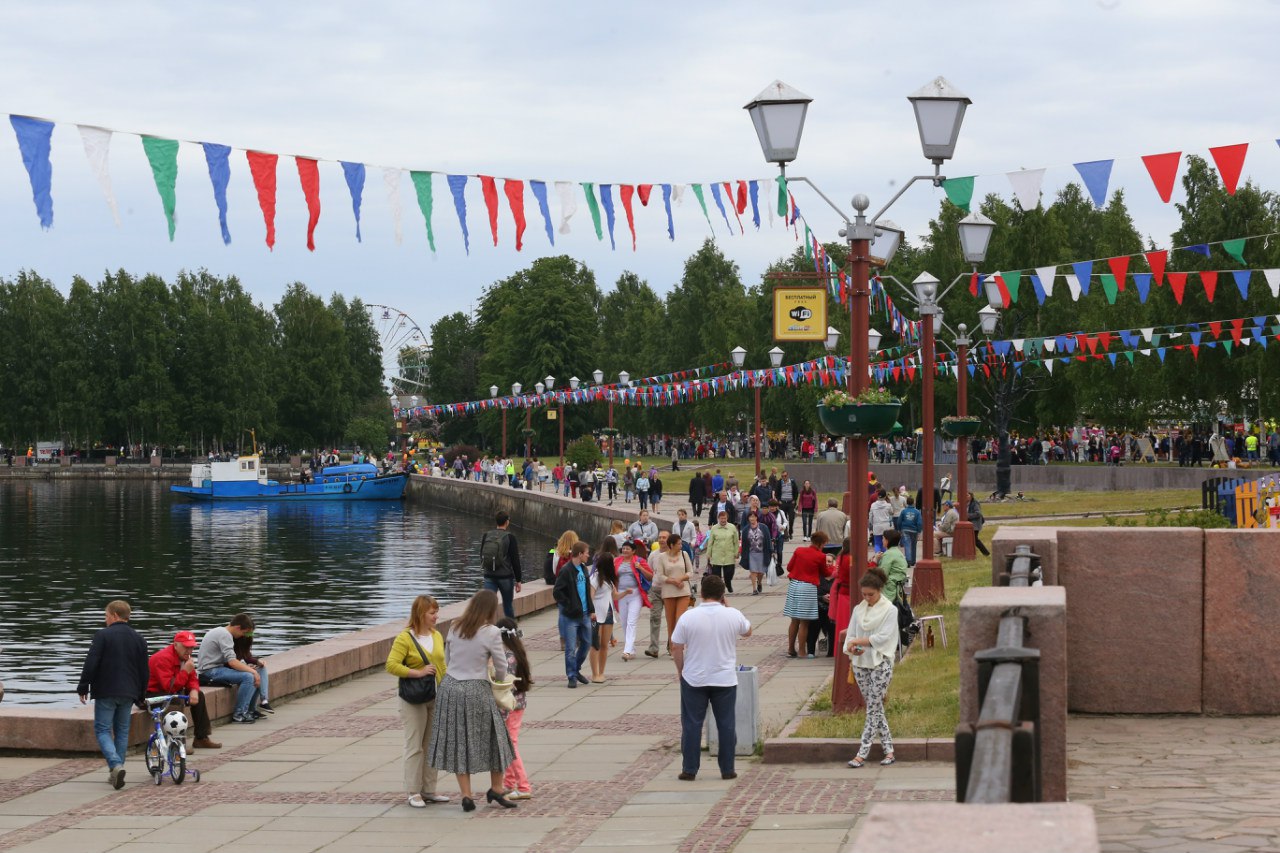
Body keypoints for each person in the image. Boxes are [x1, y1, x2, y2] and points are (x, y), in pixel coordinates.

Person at [427, 589, 517, 811]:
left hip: (450, 687)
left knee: (459, 740)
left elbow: (448, 659)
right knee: (495, 738)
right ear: (489, 609)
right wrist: (499, 682)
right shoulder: (492, 632)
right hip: (476, 688)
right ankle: (496, 788)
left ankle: (466, 795)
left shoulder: (455, 626)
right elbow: (501, 666)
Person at [671, 575, 752, 781]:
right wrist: (728, 607)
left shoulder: (688, 617)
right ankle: (727, 769)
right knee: (726, 724)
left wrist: (681, 670)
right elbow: (747, 631)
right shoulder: (732, 614)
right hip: (724, 678)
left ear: (701, 593)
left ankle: (689, 768)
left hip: (694, 676)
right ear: (723, 594)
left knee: (691, 724)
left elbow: (676, 646)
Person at [385, 595, 449, 808]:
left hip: (435, 695)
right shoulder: (405, 638)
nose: (436, 616)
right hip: (413, 699)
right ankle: (413, 791)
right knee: (414, 745)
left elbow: (441, 665)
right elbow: (391, 665)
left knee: (431, 744)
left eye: (436, 612)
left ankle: (428, 790)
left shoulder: (437, 635)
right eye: (432, 613)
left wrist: (447, 686)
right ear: (421, 614)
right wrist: (417, 672)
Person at [77, 600, 149, 789]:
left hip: (106, 690)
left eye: (106, 615)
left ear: (115, 615)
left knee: (102, 730)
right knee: (122, 732)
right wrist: (141, 693)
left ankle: (115, 765)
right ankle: (117, 770)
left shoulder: (103, 635)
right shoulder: (139, 638)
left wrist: (83, 686)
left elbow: (91, 662)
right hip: (129, 692)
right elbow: (144, 670)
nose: (105, 619)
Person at [845, 566, 899, 768]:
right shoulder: (858, 610)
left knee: (873, 708)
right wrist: (852, 647)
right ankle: (889, 750)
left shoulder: (890, 610)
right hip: (860, 663)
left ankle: (862, 752)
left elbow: (884, 637)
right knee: (875, 709)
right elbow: (850, 636)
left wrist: (860, 641)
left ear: (880, 590)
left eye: (871, 594)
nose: (867, 598)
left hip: (881, 663)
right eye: (864, 594)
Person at [147, 630, 219, 751]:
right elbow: (169, 688)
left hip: (171, 691)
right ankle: (177, 743)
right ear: (175, 645)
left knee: (199, 696)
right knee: (176, 700)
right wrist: (186, 670)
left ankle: (201, 738)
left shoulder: (185, 657)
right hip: (152, 695)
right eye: (186, 647)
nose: (189, 651)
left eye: (191, 648)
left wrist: (194, 690)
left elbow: (192, 678)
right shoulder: (163, 658)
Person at [197, 613, 262, 724]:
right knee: (248, 677)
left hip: (215, 668)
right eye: (244, 632)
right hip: (210, 671)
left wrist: (249, 669)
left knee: (252, 674)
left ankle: (249, 711)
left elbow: (230, 661)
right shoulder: (225, 635)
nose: (243, 636)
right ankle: (239, 714)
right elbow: (232, 662)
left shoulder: (221, 631)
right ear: (237, 627)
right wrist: (252, 671)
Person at [496, 617, 534, 800]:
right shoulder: (518, 652)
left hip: (509, 705)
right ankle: (509, 784)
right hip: (519, 703)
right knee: (510, 742)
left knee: (511, 745)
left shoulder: (506, 657)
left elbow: (505, 685)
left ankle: (524, 785)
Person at [552, 541, 593, 688]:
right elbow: (557, 592)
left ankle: (575, 669)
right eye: (587, 553)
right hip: (570, 616)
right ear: (580, 554)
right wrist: (568, 606)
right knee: (570, 648)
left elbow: (587, 592)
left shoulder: (584, 569)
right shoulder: (566, 570)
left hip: (585, 614)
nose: (588, 555)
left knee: (587, 643)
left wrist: (591, 609)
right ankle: (571, 676)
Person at [784, 532, 828, 657]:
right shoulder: (820, 556)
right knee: (804, 622)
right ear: (820, 543)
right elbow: (825, 572)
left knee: (794, 620)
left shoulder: (799, 550)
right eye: (824, 544)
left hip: (794, 585)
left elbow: (789, 567)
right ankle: (802, 651)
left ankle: (791, 649)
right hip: (808, 587)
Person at [652, 534, 694, 652]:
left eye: (681, 544)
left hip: (683, 591)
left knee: (679, 619)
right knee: (670, 622)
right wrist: (673, 581)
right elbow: (660, 575)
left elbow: (690, 572)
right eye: (679, 544)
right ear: (671, 545)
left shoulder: (684, 555)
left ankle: (680, 645)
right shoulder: (662, 557)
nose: (681, 546)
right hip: (669, 592)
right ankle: (672, 647)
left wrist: (680, 579)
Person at [480, 511, 524, 619]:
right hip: (505, 577)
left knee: (488, 607)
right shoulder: (510, 537)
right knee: (507, 605)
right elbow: (515, 561)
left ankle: (486, 630)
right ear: (507, 522)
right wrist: (518, 580)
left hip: (489, 575)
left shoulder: (487, 535)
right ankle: (511, 630)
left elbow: (482, 554)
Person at [614, 540, 652, 661]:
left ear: (633, 551)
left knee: (631, 622)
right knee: (624, 622)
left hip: (635, 595)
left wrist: (640, 568)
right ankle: (632, 649)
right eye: (623, 548)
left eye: (627, 549)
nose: (625, 551)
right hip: (621, 595)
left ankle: (627, 650)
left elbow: (651, 576)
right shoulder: (617, 561)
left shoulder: (639, 561)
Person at [589, 553, 620, 682]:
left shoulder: (609, 580)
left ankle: (601, 672)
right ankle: (595, 674)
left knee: (604, 645)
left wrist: (627, 593)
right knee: (595, 645)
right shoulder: (595, 578)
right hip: (597, 615)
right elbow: (591, 596)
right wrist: (591, 612)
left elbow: (615, 596)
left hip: (608, 614)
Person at [233, 627, 273, 714]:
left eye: (251, 634)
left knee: (261, 669)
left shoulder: (244, 642)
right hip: (229, 669)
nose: (249, 636)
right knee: (252, 675)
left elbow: (247, 657)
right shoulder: (232, 641)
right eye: (248, 633)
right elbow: (230, 662)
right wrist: (247, 668)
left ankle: (264, 701)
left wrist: (258, 662)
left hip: (237, 667)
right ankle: (249, 710)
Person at [707, 510, 740, 594]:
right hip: (717, 554)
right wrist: (708, 554)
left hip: (729, 554)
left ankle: (728, 583)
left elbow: (736, 542)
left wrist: (736, 552)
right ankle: (719, 589)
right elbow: (710, 542)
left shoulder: (732, 527)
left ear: (727, 518)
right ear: (718, 519)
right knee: (717, 576)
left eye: (724, 518)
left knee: (729, 573)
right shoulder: (714, 528)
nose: (723, 520)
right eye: (721, 519)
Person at [877, 530, 909, 603]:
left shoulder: (888, 554)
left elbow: (882, 574)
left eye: (883, 538)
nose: (882, 540)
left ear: (887, 541)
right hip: (898, 587)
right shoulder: (897, 552)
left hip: (889, 589)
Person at [897, 496, 923, 567]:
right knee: (913, 545)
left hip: (905, 529)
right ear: (913, 503)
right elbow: (919, 523)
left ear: (907, 503)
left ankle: (908, 560)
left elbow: (899, 521)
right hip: (914, 530)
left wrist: (899, 529)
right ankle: (913, 561)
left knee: (907, 545)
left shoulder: (903, 511)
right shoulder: (917, 512)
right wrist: (919, 530)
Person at [966, 491, 991, 557]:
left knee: (975, 540)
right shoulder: (966, 503)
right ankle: (972, 552)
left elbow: (978, 513)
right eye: (965, 495)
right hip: (969, 524)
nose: (966, 497)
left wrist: (968, 516)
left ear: (971, 496)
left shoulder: (975, 503)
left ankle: (986, 553)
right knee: (972, 539)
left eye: (967, 495)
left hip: (975, 524)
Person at [777, 471, 797, 539]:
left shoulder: (792, 482)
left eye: (785, 476)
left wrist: (794, 500)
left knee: (791, 518)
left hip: (790, 503)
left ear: (787, 476)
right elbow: (777, 492)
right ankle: (786, 534)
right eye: (782, 476)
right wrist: (779, 500)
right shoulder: (780, 482)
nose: (784, 477)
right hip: (782, 503)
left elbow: (796, 491)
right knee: (784, 519)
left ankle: (790, 531)